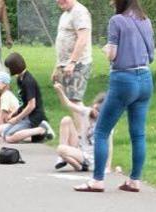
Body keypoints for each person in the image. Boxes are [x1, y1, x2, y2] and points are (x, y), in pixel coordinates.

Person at [73, 0, 152, 194]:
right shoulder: (145, 20)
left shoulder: (116, 21)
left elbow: (113, 54)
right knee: (138, 133)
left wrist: (107, 51)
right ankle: (134, 180)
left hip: (123, 79)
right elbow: (151, 55)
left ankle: (97, 180)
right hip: (145, 79)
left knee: (101, 130)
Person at [52, 0, 91, 137]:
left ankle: (84, 135)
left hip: (78, 64)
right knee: (72, 99)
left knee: (74, 100)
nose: (59, 1)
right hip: (66, 64)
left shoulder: (79, 12)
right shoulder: (65, 14)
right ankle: (84, 132)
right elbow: (62, 42)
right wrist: (57, 67)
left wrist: (72, 62)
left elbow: (82, 38)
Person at [53, 82, 108, 172]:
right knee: (66, 120)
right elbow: (68, 104)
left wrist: (107, 166)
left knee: (60, 149)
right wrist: (60, 91)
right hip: (80, 148)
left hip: (89, 157)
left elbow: (109, 145)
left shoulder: (105, 123)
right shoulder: (87, 111)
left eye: (98, 111)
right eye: (95, 108)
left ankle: (79, 167)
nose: (95, 112)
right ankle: (61, 158)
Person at [0, 52, 51, 143]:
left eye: (9, 68)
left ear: (14, 67)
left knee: (9, 136)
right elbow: (23, 103)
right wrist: (13, 114)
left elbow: (31, 105)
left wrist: (17, 118)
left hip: (34, 117)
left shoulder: (28, 81)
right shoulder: (20, 79)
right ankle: (37, 135)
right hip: (25, 116)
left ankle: (41, 129)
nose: (8, 70)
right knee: (4, 133)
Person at [0, 69, 18, 135]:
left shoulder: (6, 95)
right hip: (10, 123)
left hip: (15, 124)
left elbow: (2, 114)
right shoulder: (4, 95)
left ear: (4, 84)